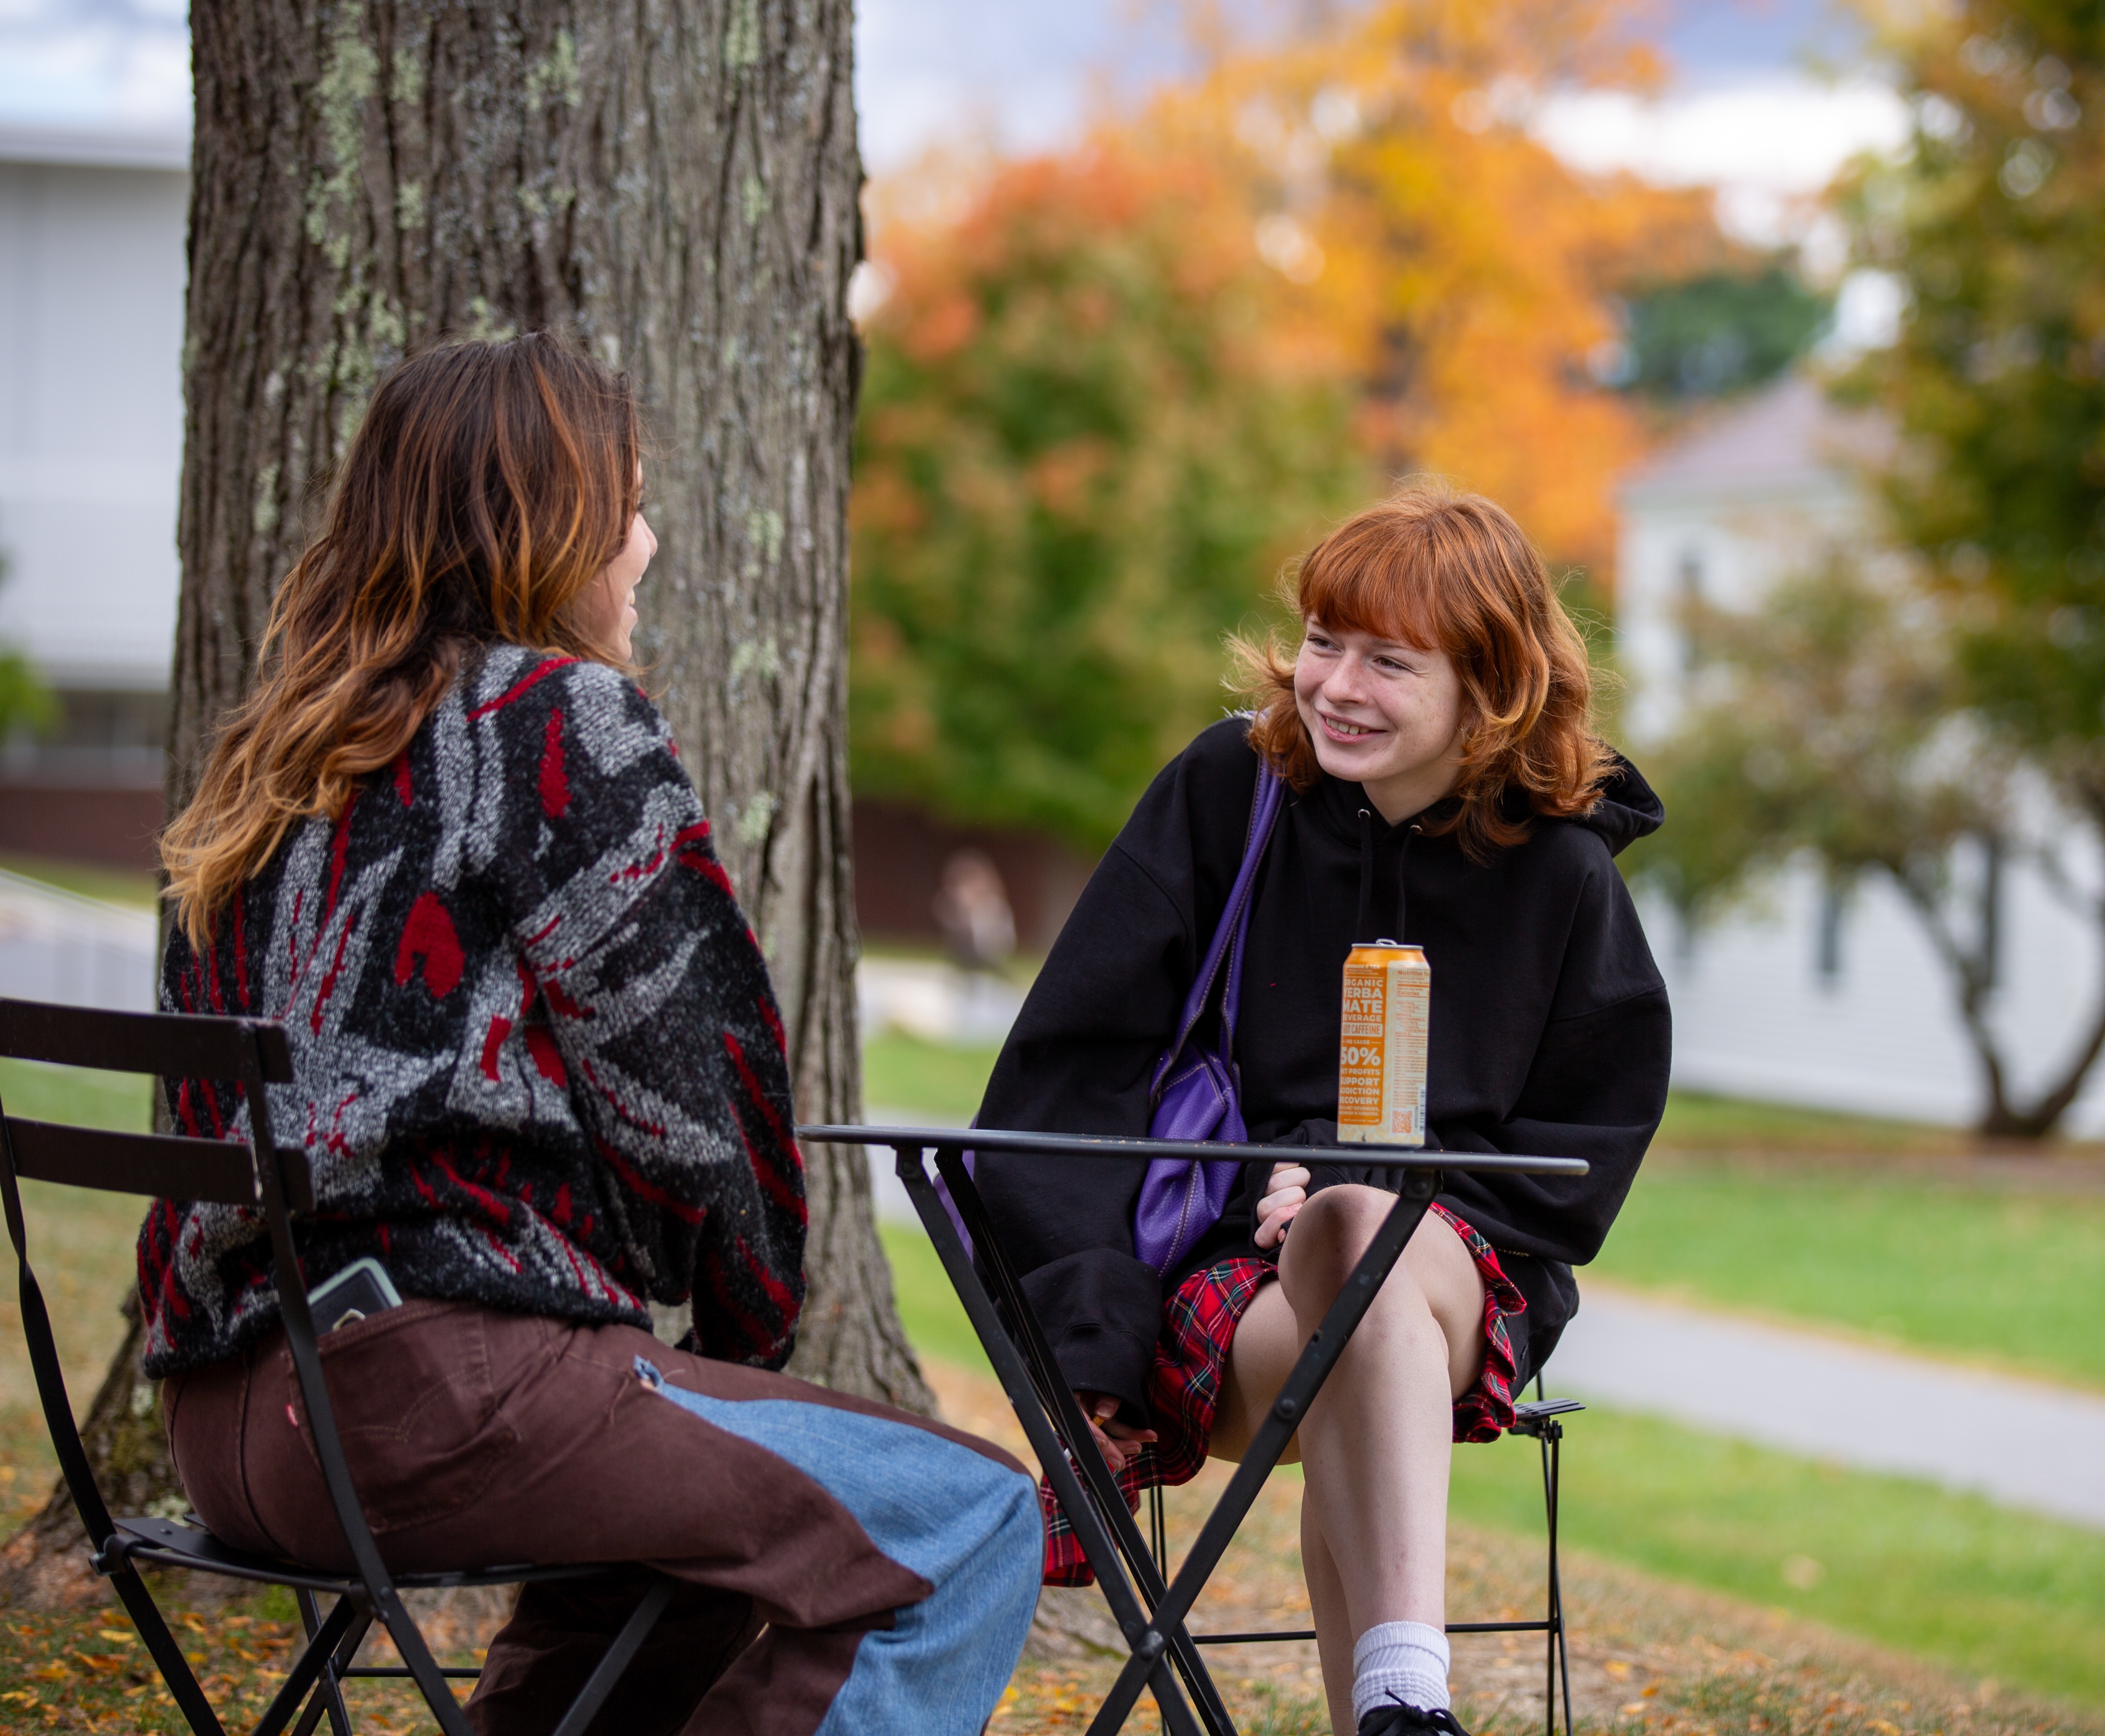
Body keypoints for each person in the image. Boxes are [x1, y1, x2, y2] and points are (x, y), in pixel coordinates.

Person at [142, 332, 1039, 1736]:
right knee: (972, 1523)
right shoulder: (554, 721)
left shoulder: (280, 755)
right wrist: (752, 1324)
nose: (648, 542)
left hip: (232, 1422)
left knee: (688, 1540)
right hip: (429, 1404)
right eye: (624, 506)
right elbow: (703, 1103)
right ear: (546, 525)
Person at [976, 482, 1671, 1736]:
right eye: (1322, 640)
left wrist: (1394, 1193)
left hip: (1470, 1285)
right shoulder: (1226, 795)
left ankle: (1403, 1689)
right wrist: (1099, 1325)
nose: (1334, 685)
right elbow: (1066, 1072)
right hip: (1231, 1303)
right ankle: (1403, 1705)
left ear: (1488, 686)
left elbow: (1587, 1154)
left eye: (1388, 662)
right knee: (1348, 1252)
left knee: (1361, 1229)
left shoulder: (1563, 874)